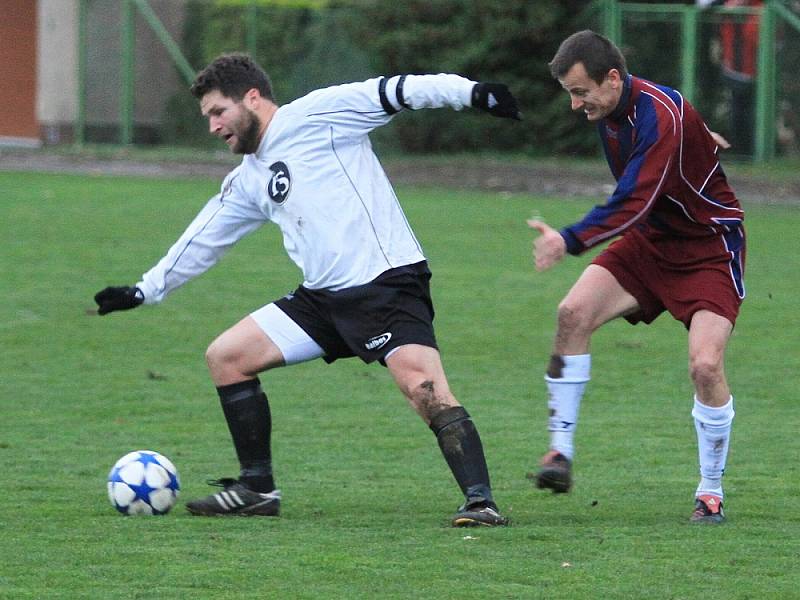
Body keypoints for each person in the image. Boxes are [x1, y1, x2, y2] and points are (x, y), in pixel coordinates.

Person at [94, 54, 521, 527]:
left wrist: (472, 94)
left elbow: (399, 89)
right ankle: (257, 487)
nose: (213, 126)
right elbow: (204, 238)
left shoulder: (319, 114)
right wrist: (144, 291)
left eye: (219, 112)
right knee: (227, 357)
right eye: (208, 117)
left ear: (251, 98)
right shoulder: (248, 178)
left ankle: (481, 502)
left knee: (423, 389)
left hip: (386, 284)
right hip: (322, 300)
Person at [527, 31, 745, 524]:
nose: (573, 104)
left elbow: (633, 199)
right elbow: (670, 139)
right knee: (572, 314)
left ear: (612, 78)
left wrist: (570, 238)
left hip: (708, 248)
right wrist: (698, 138)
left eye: (580, 91)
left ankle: (710, 491)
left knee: (705, 367)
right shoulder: (616, 109)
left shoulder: (658, 112)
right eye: (568, 92)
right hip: (650, 243)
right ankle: (558, 454)